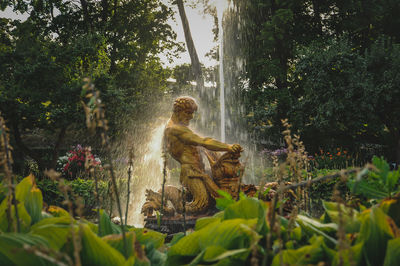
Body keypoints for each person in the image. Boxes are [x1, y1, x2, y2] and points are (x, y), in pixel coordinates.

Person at [163, 96, 242, 214]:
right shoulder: (175, 129)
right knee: (201, 204)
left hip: (197, 171)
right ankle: (165, 194)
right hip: (191, 172)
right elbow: (203, 141)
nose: (191, 117)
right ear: (178, 111)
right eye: (188, 113)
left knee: (215, 198)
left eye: (192, 113)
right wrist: (228, 147)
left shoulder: (174, 126)